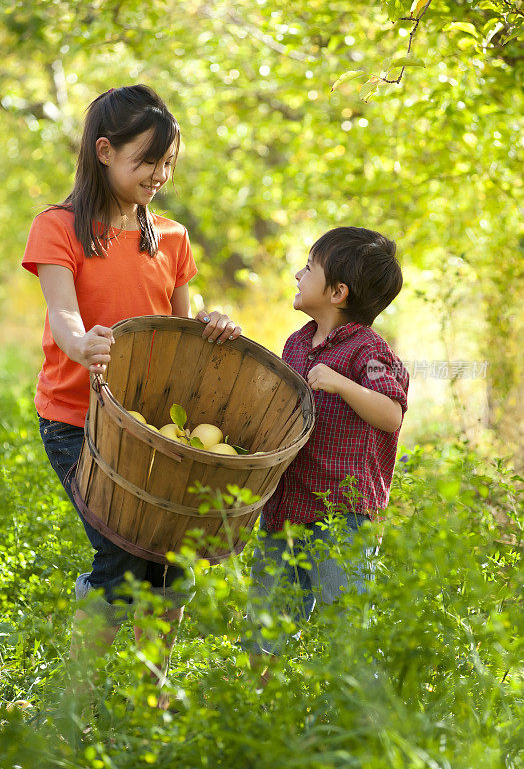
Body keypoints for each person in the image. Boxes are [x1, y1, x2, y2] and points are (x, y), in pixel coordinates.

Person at [22, 85, 241, 697]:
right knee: (120, 558)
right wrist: (82, 344)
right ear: (103, 151)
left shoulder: (169, 237)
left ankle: (150, 694)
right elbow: (63, 315)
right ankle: (74, 709)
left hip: (149, 426)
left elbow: (181, 329)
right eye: (148, 161)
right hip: (77, 420)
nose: (159, 176)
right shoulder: (58, 227)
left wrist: (213, 323)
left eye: (168, 164)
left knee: (169, 560)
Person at [245, 226, 409, 661]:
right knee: (266, 627)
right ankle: (258, 713)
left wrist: (343, 386)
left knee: (345, 630)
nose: (298, 274)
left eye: (309, 267)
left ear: (338, 292)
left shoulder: (368, 352)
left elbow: (391, 413)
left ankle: (356, 719)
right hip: (288, 508)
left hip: (343, 516)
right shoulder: (297, 343)